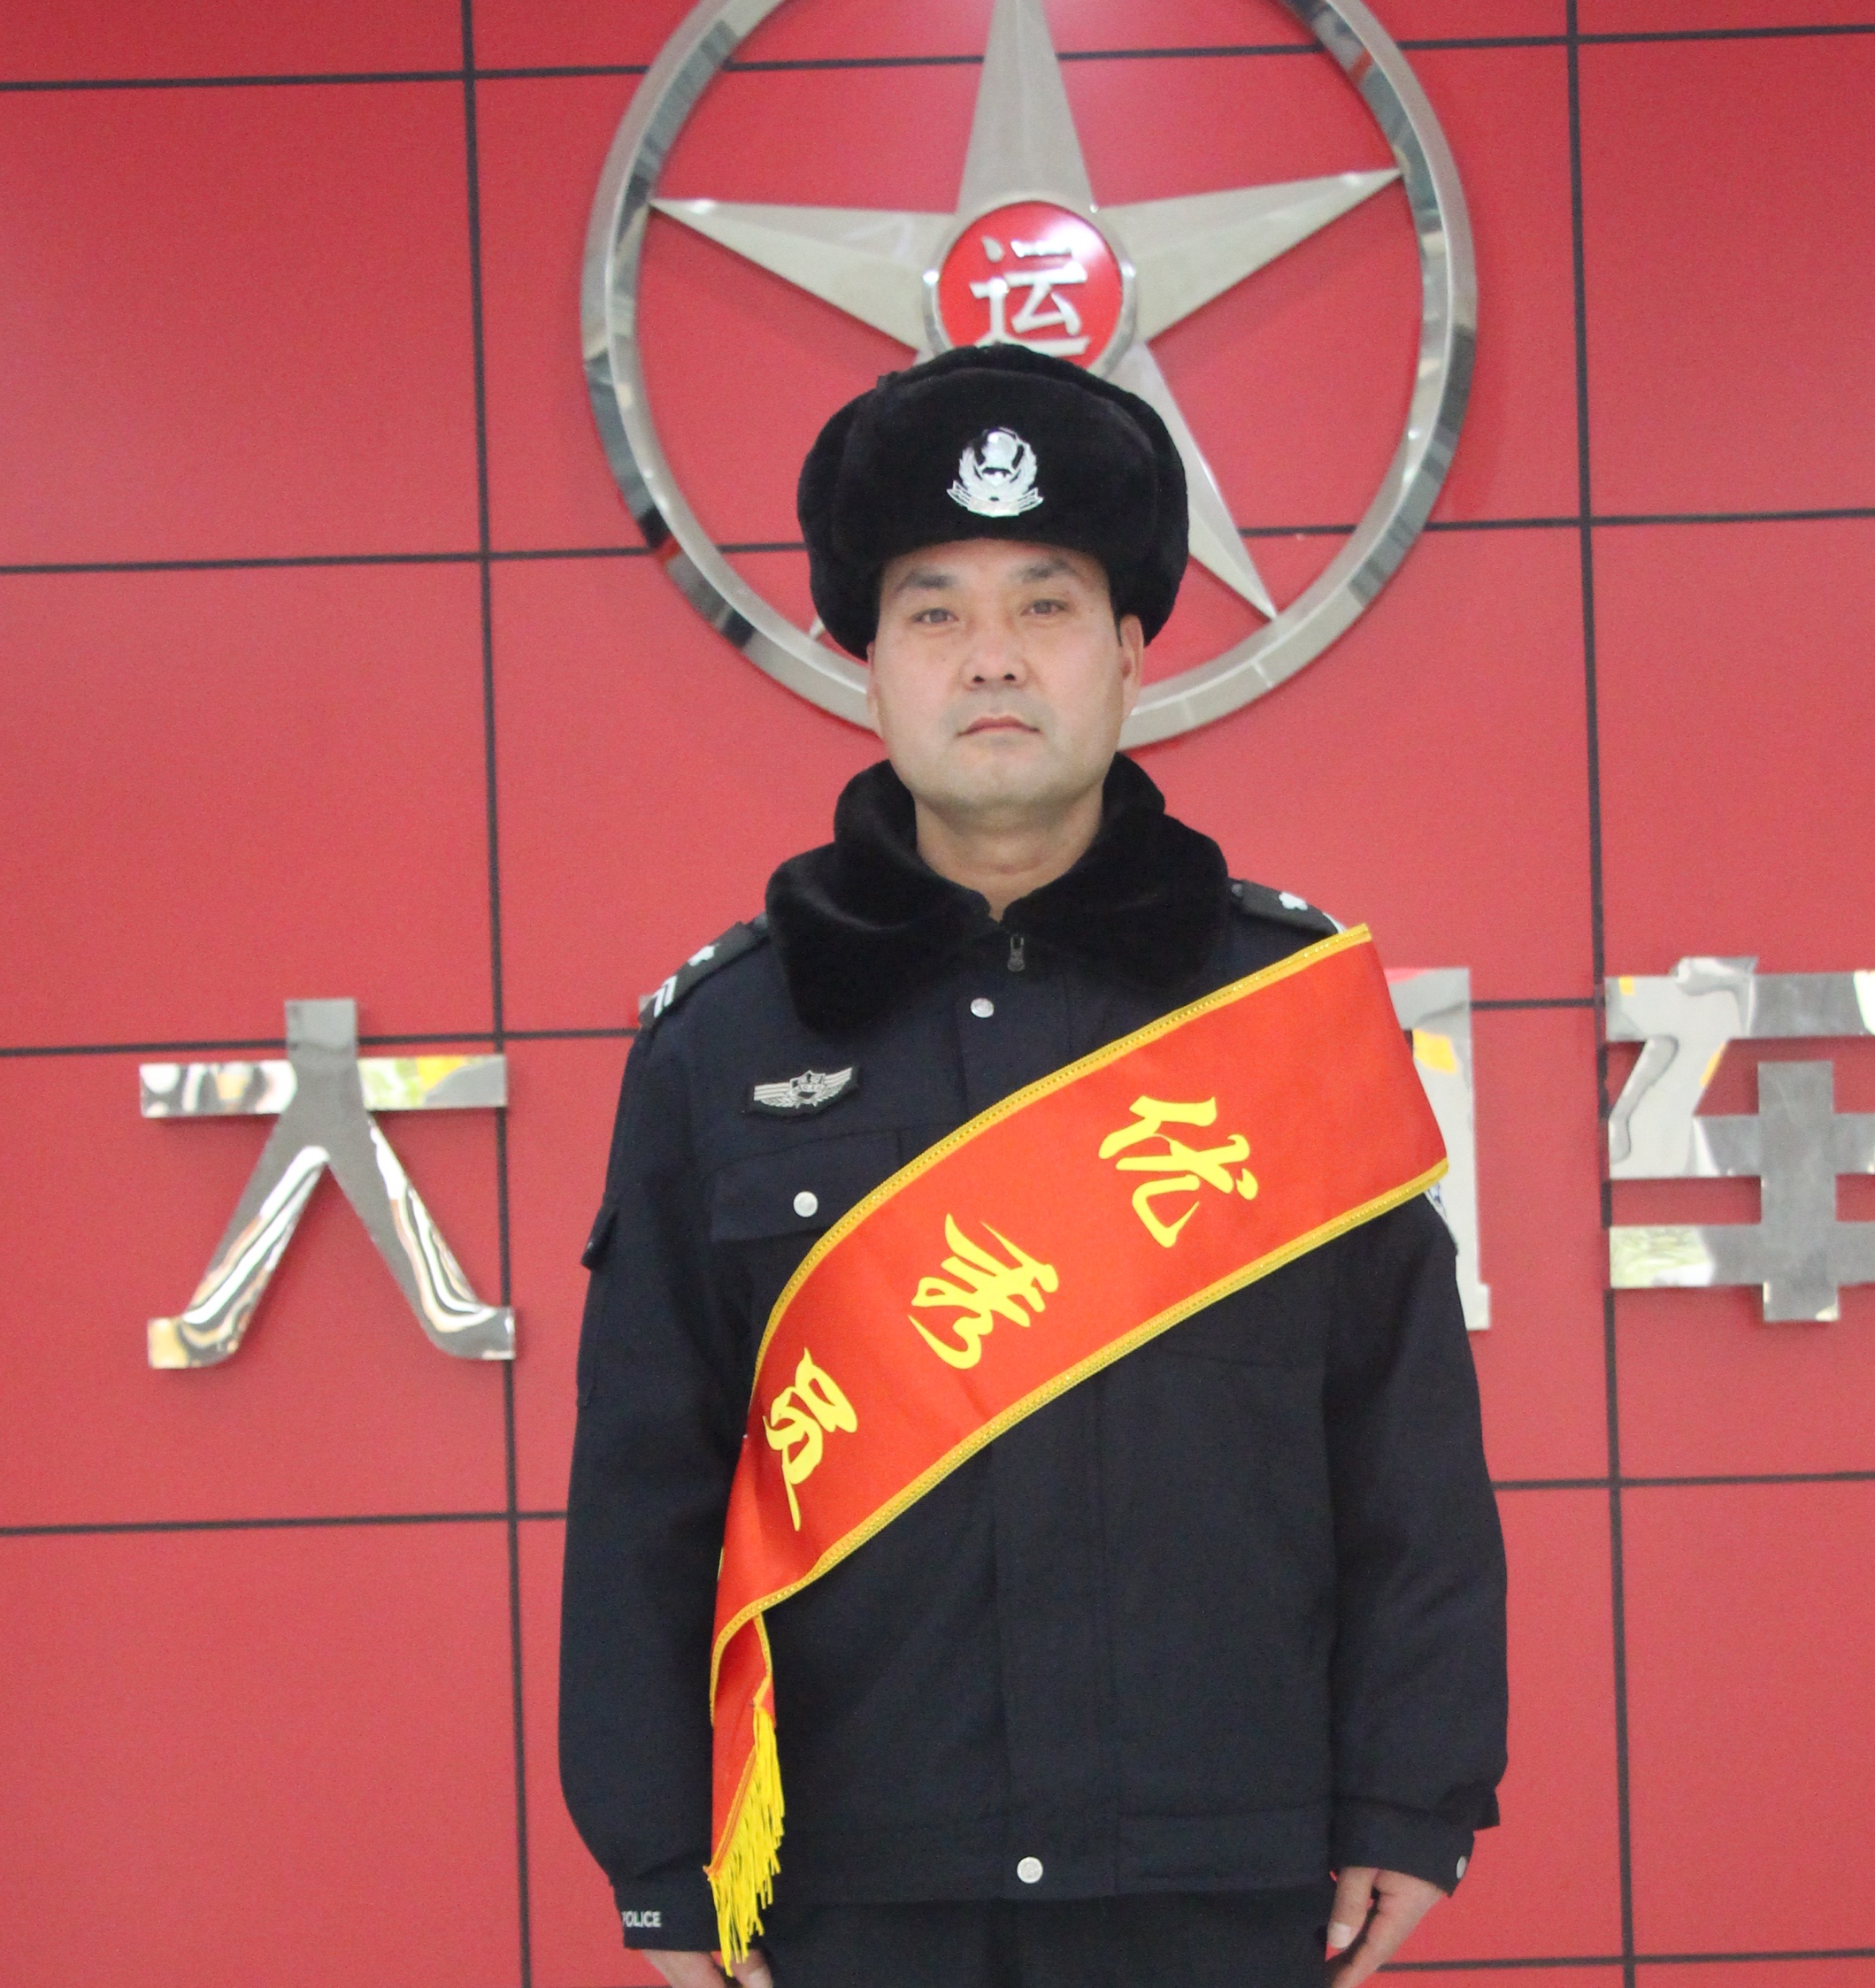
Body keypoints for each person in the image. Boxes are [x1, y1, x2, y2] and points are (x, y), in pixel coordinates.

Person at [559, 343, 1506, 1988]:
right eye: (934, 611)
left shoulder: (1286, 1018)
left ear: (1131, 650)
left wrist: (1414, 1793)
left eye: (1046, 605)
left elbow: (1404, 1446)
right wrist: (657, 1863)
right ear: (866, 661)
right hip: (854, 1890)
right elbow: (650, 1480)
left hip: (1221, 1878)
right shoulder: (722, 1043)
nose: (991, 657)